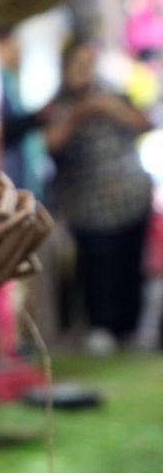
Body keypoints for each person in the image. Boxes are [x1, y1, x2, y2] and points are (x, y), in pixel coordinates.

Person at [44, 38, 153, 353]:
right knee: (97, 268)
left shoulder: (113, 94)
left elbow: (145, 122)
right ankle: (101, 328)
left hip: (130, 196)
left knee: (130, 266)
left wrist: (109, 107)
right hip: (87, 205)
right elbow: (52, 143)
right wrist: (80, 113)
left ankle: (129, 330)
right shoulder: (57, 105)